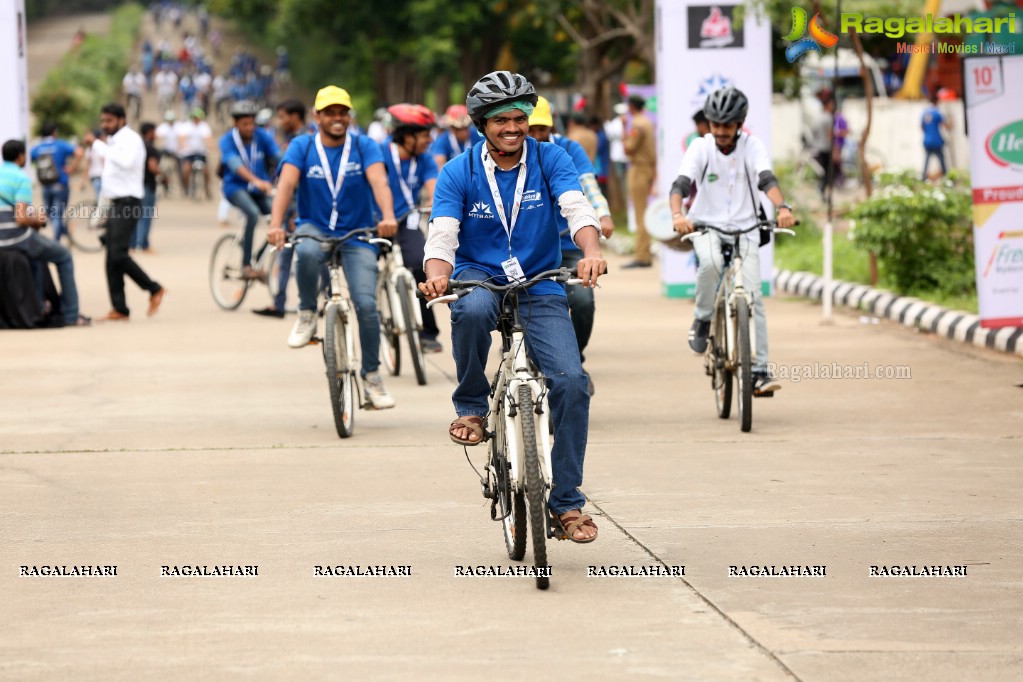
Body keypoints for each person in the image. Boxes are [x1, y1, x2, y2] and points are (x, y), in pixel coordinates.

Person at [419, 71, 606, 543]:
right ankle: (472, 407)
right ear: (481, 124)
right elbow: (442, 232)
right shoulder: (458, 171)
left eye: (519, 118)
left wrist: (591, 252)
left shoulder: (552, 158)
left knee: (571, 383)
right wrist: (437, 271)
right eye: (500, 119)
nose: (512, 127)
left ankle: (566, 504)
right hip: (480, 278)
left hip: (539, 286)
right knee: (473, 310)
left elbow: (576, 207)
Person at [266, 85, 399, 409]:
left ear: (349, 116)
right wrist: (276, 224)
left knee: (367, 305)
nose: (337, 118)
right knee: (307, 251)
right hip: (315, 225)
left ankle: (371, 377)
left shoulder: (365, 145)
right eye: (330, 113)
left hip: (358, 232)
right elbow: (286, 184)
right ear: (317, 117)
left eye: (342, 112)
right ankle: (307, 312)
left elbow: (379, 181)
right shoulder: (302, 146)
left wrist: (387, 216)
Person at [669, 87, 795, 396]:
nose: (721, 131)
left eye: (728, 125)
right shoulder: (701, 147)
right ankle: (702, 319)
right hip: (707, 225)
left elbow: (767, 179)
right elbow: (681, 184)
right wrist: (677, 214)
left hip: (748, 227)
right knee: (710, 264)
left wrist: (782, 208)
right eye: (716, 125)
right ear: (709, 123)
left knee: (753, 295)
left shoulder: (753, 146)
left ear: (740, 124)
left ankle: (760, 371)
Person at [527, 96, 614, 394]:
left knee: (582, 301)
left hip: (567, 242)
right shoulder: (513, 154)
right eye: (532, 129)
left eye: (543, 129)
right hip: (528, 248)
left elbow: (588, 185)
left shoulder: (568, 149)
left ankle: (574, 358)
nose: (537, 136)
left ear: (553, 126)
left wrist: (602, 214)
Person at [0, 139, 90, 327]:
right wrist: (39, 220)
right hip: (13, 238)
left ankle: (39, 305)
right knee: (63, 255)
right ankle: (71, 315)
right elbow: (21, 219)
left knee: (35, 257)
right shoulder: (21, 178)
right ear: (21, 156)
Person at [380, 103, 443, 352]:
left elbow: (434, 189)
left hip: (408, 219)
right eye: (425, 134)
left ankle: (428, 333)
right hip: (376, 221)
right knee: (364, 274)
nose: (430, 140)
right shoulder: (378, 153)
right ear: (407, 135)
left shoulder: (425, 159)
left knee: (420, 264)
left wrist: (438, 210)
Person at [98, 103, 166, 321]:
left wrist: (101, 148)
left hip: (129, 203)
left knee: (118, 254)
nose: (105, 125)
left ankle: (154, 288)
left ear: (121, 119)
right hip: (115, 203)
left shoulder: (131, 140)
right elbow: (109, 178)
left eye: (109, 121)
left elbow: (127, 164)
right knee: (111, 258)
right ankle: (120, 308)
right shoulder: (114, 141)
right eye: (103, 121)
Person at [253, 99, 309, 318]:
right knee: (285, 256)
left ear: (294, 117)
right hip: (291, 208)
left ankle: (324, 300)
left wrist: (296, 211)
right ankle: (279, 302)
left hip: (300, 209)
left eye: (283, 116)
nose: (280, 120)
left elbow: (300, 181)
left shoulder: (304, 140)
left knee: (311, 257)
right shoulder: (291, 139)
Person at [219, 99, 281, 281]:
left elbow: (278, 156)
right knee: (252, 214)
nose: (249, 127)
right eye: (245, 124)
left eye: (252, 123)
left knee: (279, 216)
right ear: (235, 123)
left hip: (259, 190)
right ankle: (246, 265)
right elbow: (234, 164)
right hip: (235, 188)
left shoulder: (262, 136)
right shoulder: (227, 140)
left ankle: (259, 256)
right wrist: (256, 180)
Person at [622, 94, 656, 268]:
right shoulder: (647, 121)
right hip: (647, 168)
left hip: (639, 168)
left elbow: (628, 149)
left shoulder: (637, 123)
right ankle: (644, 253)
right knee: (643, 212)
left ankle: (642, 256)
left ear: (631, 106)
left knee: (640, 214)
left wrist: (623, 127)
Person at [30, 122, 77, 244]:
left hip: (46, 185)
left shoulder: (37, 148)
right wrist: (72, 167)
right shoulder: (60, 145)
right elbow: (79, 152)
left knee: (52, 215)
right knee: (57, 215)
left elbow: (30, 160)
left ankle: (66, 235)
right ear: (54, 132)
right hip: (60, 184)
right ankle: (56, 243)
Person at [131, 122, 162, 252]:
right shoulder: (150, 148)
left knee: (135, 215)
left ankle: (132, 244)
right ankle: (143, 244)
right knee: (146, 215)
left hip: (135, 184)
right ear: (149, 132)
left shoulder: (136, 146)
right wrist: (164, 176)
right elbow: (153, 167)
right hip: (147, 185)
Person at [429, 105, 482, 172]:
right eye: (458, 129)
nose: (463, 132)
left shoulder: (478, 135)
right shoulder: (442, 140)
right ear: (451, 128)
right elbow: (439, 167)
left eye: (465, 128)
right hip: (452, 177)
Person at [178, 107, 212, 199]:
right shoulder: (186, 126)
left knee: (206, 171)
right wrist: (184, 145)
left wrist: (209, 145)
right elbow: (182, 138)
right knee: (186, 169)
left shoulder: (204, 126)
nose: (196, 119)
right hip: (189, 153)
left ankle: (207, 188)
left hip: (201, 152)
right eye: (195, 117)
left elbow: (208, 138)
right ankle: (186, 186)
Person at [921, 91, 950, 180]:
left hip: (927, 140)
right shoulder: (937, 113)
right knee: (941, 160)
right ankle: (946, 177)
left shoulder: (925, 113)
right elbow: (945, 125)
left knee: (926, 160)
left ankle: (923, 177)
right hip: (937, 140)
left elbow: (922, 127)